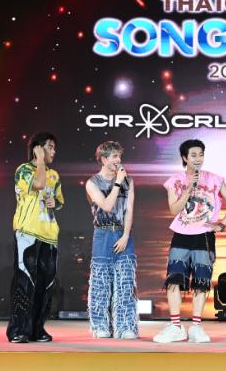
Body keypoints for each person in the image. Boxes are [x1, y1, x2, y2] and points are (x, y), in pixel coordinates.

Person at [153, 139, 226, 343]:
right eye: (193, 155)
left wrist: (222, 224)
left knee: (201, 282)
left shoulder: (214, 179)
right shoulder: (175, 180)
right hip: (181, 235)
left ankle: (196, 327)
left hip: (204, 236)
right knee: (174, 280)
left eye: (201, 154)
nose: (198, 159)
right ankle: (176, 326)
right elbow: (173, 209)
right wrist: (188, 188)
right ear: (185, 158)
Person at [7, 132, 64, 343]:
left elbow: (59, 200)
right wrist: (39, 160)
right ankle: (18, 329)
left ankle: (37, 329)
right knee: (25, 282)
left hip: (49, 235)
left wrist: (54, 203)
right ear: (37, 149)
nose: (53, 152)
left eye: (54, 148)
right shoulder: (23, 170)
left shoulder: (54, 175)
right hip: (27, 233)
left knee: (46, 284)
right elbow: (38, 184)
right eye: (50, 147)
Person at [85, 141, 138, 339]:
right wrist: (117, 183)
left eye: (119, 156)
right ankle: (100, 326)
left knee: (125, 282)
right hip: (103, 234)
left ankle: (126, 326)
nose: (119, 160)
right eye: (115, 156)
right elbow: (107, 206)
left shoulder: (128, 181)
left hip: (123, 233)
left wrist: (125, 236)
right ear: (104, 159)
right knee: (100, 283)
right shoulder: (92, 183)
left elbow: (129, 210)